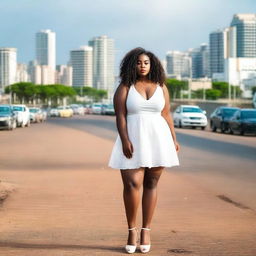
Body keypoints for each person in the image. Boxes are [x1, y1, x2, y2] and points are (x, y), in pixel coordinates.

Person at [108, 47, 180, 254]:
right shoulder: (125, 87)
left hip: (159, 139)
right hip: (133, 139)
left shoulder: (161, 87)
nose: (142, 66)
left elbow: (166, 115)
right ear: (133, 64)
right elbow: (120, 116)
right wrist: (124, 140)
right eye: (139, 62)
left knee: (151, 183)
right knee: (132, 183)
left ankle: (146, 231)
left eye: (146, 62)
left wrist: (173, 140)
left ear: (152, 64)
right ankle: (132, 230)